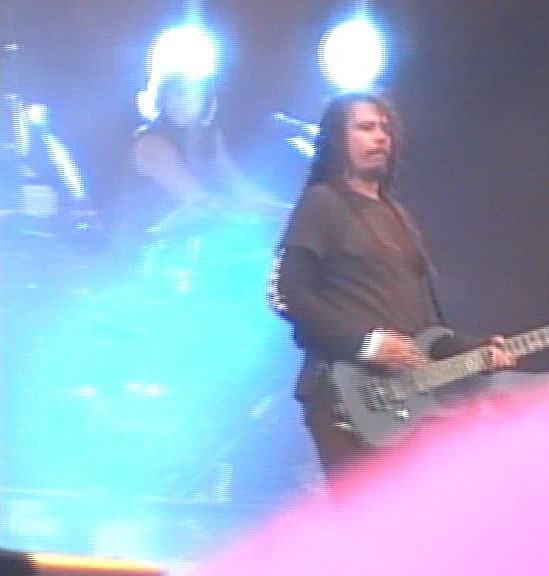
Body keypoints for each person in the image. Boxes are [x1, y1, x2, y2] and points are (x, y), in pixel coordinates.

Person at [269, 93, 517, 477]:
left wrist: (477, 349)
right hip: (343, 394)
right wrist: (366, 344)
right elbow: (286, 292)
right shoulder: (323, 203)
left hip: (403, 401)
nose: (381, 137)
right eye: (366, 127)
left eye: (385, 128)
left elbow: (425, 329)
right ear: (337, 139)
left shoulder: (397, 216)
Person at [116, 73, 280, 283]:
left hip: (196, 240)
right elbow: (197, 200)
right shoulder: (151, 140)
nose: (185, 103)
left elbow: (237, 182)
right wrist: (256, 211)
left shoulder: (208, 135)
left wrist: (284, 211)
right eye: (179, 95)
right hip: (150, 249)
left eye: (195, 97)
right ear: (164, 98)